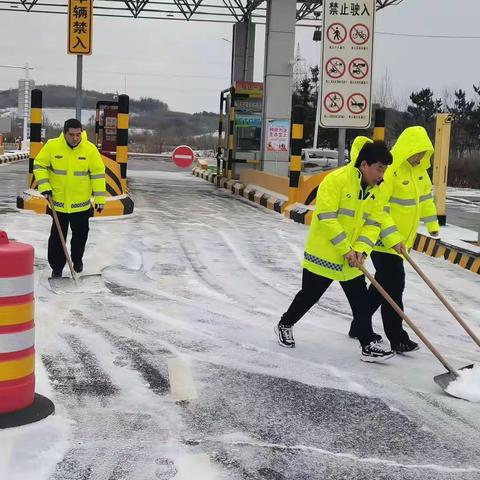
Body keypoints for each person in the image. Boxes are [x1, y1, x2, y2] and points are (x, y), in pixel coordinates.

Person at [275, 140, 395, 362]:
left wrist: (361, 251)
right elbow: (327, 217)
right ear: (365, 164)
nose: (382, 175)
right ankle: (285, 323)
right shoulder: (336, 181)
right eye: (379, 168)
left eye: (384, 170)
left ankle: (367, 344)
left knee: (360, 300)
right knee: (309, 296)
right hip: (324, 254)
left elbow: (373, 224)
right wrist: (346, 249)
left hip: (351, 259)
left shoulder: (377, 191)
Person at [349, 126, 440, 353]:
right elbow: (381, 210)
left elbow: (426, 200)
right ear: (407, 148)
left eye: (423, 153)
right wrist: (393, 238)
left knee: (381, 287)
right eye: (416, 152)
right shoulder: (390, 174)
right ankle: (397, 338)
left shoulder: (420, 172)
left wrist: (432, 225)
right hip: (382, 239)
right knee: (394, 287)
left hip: (401, 241)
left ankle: (359, 325)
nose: (419, 157)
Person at [34, 118, 106, 278]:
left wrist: (100, 199)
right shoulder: (52, 146)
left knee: (80, 236)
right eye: (72, 135)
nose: (75, 138)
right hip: (57, 203)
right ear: (64, 133)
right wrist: (44, 187)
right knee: (57, 238)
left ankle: (77, 260)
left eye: (78, 134)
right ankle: (57, 268)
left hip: (81, 205)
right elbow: (39, 165)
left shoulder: (90, 149)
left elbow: (98, 174)